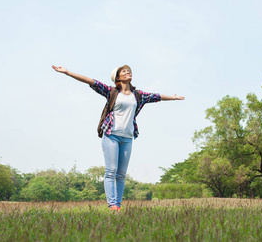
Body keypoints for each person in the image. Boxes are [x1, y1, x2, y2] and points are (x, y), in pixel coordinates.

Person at [51, 65, 184, 211]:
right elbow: (91, 81)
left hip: (127, 138)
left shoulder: (138, 95)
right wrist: (67, 72)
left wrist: (174, 98)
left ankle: (118, 206)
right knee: (111, 171)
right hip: (111, 135)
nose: (128, 72)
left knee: (121, 175)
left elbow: (156, 97)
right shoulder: (111, 92)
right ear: (118, 78)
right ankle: (112, 205)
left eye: (129, 71)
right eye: (124, 71)